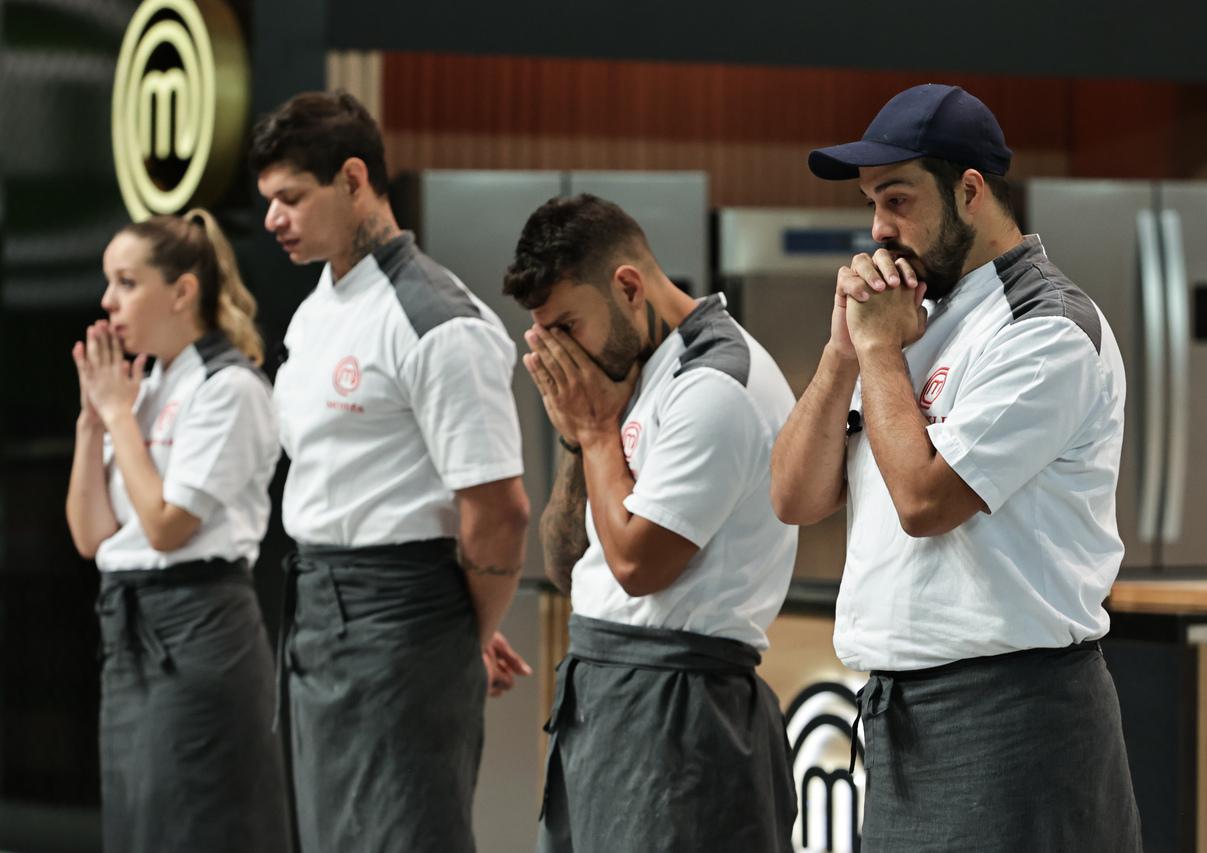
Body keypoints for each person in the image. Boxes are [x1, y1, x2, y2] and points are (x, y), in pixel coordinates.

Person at [772, 83, 1143, 851]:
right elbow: (794, 495)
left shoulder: (1047, 328)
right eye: (873, 203)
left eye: (899, 200)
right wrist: (844, 351)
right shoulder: (910, 319)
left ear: (970, 191)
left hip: (1016, 718)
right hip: (901, 715)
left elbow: (924, 499)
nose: (879, 229)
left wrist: (878, 350)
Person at [248, 90, 531, 852]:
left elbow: (499, 508)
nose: (273, 218)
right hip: (314, 602)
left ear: (352, 178)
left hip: (401, 609)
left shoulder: (437, 318)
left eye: (290, 198)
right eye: (268, 201)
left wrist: (464, 630)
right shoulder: (317, 308)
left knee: (405, 837)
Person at [503, 193, 800, 852]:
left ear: (628, 287)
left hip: (679, 707)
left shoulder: (715, 383)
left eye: (568, 326)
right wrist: (580, 444)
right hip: (601, 685)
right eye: (545, 333)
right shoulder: (632, 372)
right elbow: (568, 564)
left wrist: (598, 431)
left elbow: (637, 565)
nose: (560, 353)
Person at [65, 209, 289, 852]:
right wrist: (92, 422)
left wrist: (119, 417)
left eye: (127, 282)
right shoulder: (146, 384)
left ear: (183, 291)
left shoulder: (230, 387)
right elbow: (90, 535)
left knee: (197, 825)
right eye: (110, 283)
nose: (109, 302)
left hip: (200, 627)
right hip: (127, 623)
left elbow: (165, 526)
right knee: (137, 826)